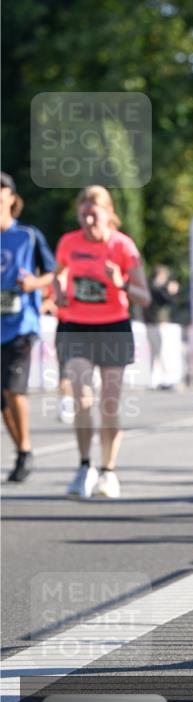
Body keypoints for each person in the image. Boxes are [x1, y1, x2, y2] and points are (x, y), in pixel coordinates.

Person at [53, 185, 150, 498]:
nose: (88, 221)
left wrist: (120, 282)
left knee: (109, 404)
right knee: (82, 399)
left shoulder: (123, 247)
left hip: (113, 327)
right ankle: (84, 467)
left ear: (109, 215)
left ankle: (108, 471)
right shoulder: (69, 242)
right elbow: (59, 275)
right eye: (83, 215)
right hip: (76, 327)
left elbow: (144, 297)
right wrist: (59, 291)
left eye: (93, 215)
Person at [1, 172, 56, 481]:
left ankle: (24, 451)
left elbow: (52, 272)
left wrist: (34, 283)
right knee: (2, 397)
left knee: (12, 387)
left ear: (11, 197)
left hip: (22, 324)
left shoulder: (28, 236)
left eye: (1, 189)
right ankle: (22, 450)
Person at [144, 264, 180, 389]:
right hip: (157, 323)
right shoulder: (156, 287)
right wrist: (171, 292)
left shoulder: (149, 286)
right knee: (161, 352)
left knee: (157, 352)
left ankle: (156, 378)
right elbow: (167, 300)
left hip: (152, 323)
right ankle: (163, 378)